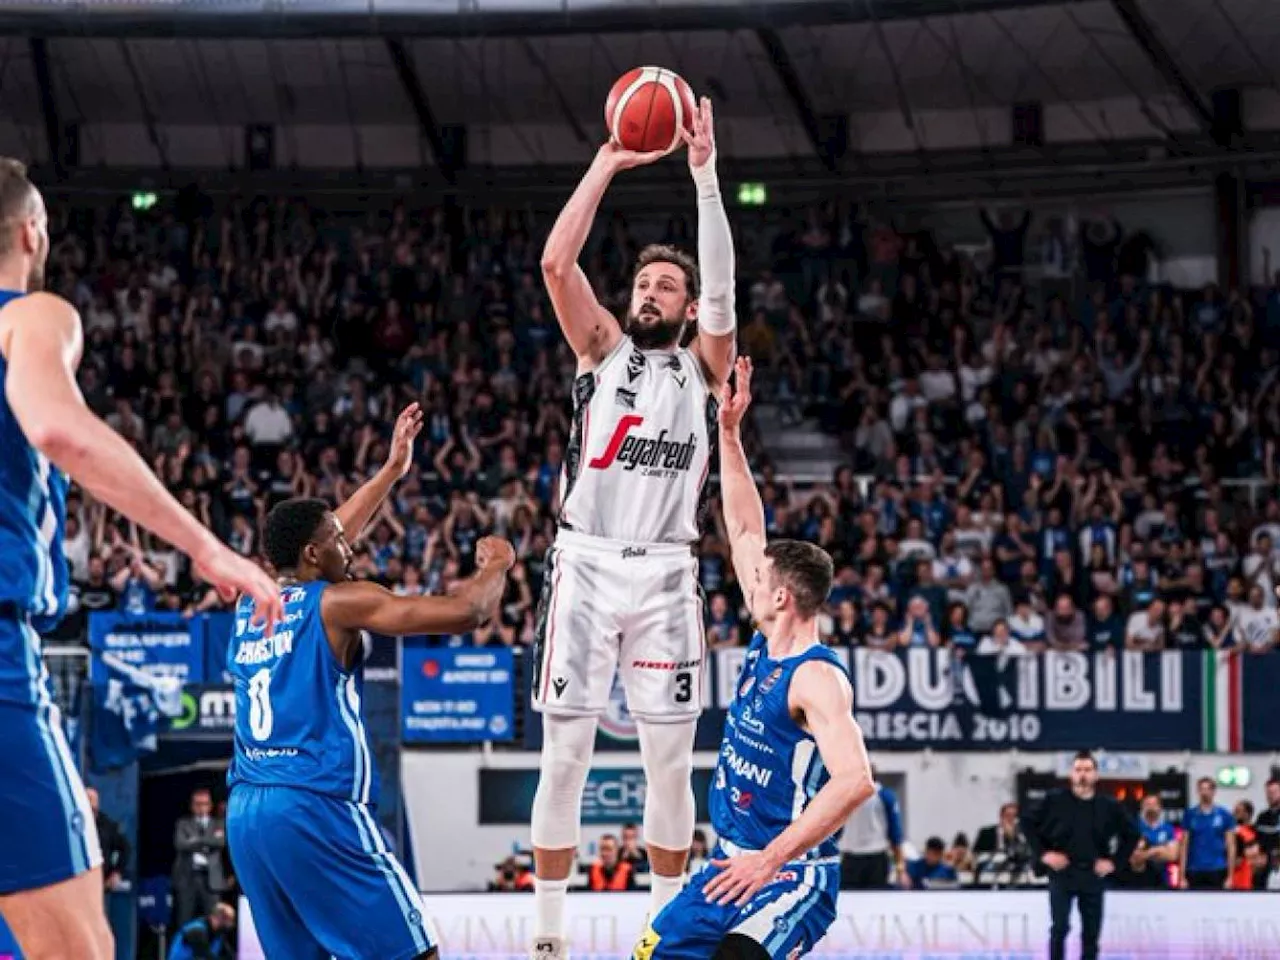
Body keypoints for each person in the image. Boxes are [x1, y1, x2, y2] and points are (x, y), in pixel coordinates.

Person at [0, 158, 283, 960]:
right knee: (77, 947)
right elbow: (58, 429)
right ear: (33, 231)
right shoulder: (29, 315)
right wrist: (208, 548)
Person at [530, 98, 738, 958]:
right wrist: (609, 162)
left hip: (664, 573)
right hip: (582, 563)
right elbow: (554, 259)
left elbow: (724, 283)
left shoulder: (704, 366)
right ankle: (547, 939)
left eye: (666, 287)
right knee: (565, 757)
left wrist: (703, 175)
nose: (649, 292)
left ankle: (664, 935)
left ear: (689, 309)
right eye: (643, 283)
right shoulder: (600, 350)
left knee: (667, 766)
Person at [224, 404, 516, 960]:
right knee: (414, 954)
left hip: (247, 816)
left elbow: (322, 543)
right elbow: (467, 613)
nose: (349, 544)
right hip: (315, 806)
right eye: (338, 538)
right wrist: (495, 566)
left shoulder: (252, 600)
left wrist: (391, 471)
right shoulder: (340, 602)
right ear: (314, 553)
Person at [633, 357, 875, 959]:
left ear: (782, 596)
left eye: (760, 577)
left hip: (793, 875)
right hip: (728, 866)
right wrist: (730, 434)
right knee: (650, 951)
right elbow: (744, 528)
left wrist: (770, 860)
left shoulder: (816, 679)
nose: (748, 576)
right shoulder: (769, 638)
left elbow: (856, 780)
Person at [1023, 751, 1139, 960]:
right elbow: (1027, 823)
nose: (1083, 775)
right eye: (1078, 770)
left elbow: (1132, 834)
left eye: (1087, 770)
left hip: (1092, 874)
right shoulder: (1055, 800)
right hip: (1062, 872)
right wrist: (1043, 854)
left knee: (1091, 934)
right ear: (1071, 774)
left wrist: (1114, 862)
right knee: (1059, 928)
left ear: (1096, 775)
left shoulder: (1108, 805)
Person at [171, 788, 227, 930]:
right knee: (184, 918)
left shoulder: (218, 824)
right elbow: (180, 844)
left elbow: (221, 842)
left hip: (211, 879)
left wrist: (196, 840)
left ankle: (213, 951)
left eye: (204, 803)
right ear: (192, 806)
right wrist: (208, 843)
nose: (201, 807)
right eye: (197, 804)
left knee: (215, 920)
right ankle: (184, 951)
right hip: (188, 878)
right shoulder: (183, 823)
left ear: (210, 806)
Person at [839, 772, 906, 889]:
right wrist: (900, 866)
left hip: (851, 858)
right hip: (876, 858)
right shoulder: (885, 795)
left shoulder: (845, 796)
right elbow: (895, 833)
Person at [1179, 777, 1235, 890]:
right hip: (1194, 869)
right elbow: (1184, 846)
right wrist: (1181, 876)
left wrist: (1230, 876)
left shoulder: (1224, 815)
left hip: (1217, 869)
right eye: (1201, 789)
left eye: (1207, 789)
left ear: (1213, 791)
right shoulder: (1190, 815)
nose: (1204, 792)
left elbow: (1231, 846)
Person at [1124, 794, 1178, 889]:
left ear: (1160, 807)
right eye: (1148, 804)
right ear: (1142, 807)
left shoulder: (1168, 829)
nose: (1151, 807)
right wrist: (1159, 850)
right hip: (1138, 880)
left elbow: (1172, 855)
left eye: (1154, 804)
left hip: (1162, 880)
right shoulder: (1134, 827)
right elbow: (1135, 857)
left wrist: (1148, 853)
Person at [85, 787, 130, 893]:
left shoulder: (107, 826)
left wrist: (117, 872)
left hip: (102, 885)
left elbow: (125, 848)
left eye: (93, 807)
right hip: (81, 884)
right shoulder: (75, 825)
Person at [167, 902, 235, 960]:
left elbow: (229, 955)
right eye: (226, 921)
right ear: (217, 918)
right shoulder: (197, 930)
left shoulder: (218, 934)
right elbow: (205, 955)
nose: (227, 926)